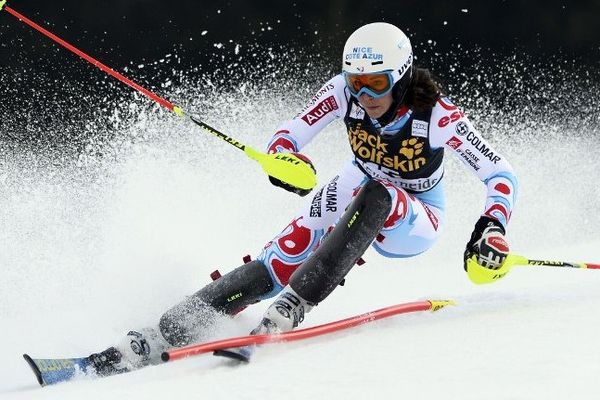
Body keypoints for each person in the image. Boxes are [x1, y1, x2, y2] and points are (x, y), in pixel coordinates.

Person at [88, 21, 517, 373]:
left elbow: (499, 172)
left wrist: (491, 226)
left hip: (418, 215)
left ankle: (294, 303)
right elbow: (289, 134)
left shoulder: (437, 117)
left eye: (376, 83)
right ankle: (173, 326)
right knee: (284, 252)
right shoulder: (342, 93)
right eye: (356, 82)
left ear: (401, 79)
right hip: (361, 181)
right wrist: (283, 160)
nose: (364, 96)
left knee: (379, 191)